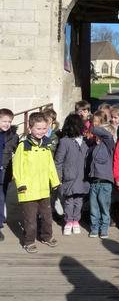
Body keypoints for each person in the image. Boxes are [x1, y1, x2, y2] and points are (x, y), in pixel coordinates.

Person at [12, 112, 59, 253]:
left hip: (44, 188)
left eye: (44, 128)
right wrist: (20, 184)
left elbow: (50, 164)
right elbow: (17, 167)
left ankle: (46, 236)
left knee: (47, 216)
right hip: (28, 190)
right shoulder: (23, 146)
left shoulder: (46, 144)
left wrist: (54, 181)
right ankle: (29, 241)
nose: (41, 131)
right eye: (38, 128)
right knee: (30, 219)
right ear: (30, 128)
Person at [54, 113, 89, 236]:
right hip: (68, 178)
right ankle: (68, 221)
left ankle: (76, 221)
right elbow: (58, 161)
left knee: (79, 201)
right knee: (68, 201)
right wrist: (58, 179)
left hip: (81, 178)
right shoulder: (64, 142)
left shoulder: (84, 142)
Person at [86, 125, 115, 239]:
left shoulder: (108, 145)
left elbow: (106, 135)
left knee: (104, 207)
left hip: (105, 183)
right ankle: (94, 228)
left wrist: (92, 128)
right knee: (94, 208)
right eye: (96, 136)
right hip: (94, 183)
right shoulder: (93, 147)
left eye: (100, 135)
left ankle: (104, 229)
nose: (98, 137)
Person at [0, 108, 19, 241]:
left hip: (6, 171)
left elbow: (20, 152)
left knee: (2, 196)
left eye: (9, 121)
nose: (7, 124)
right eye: (4, 121)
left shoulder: (14, 136)